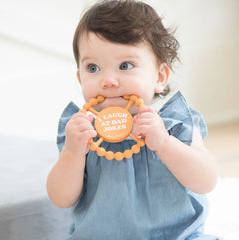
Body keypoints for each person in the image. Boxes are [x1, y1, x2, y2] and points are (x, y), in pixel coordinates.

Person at [47, 0, 221, 239]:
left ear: (159, 77)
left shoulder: (174, 124)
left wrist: (163, 143)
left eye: (125, 65)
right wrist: (72, 152)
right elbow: (61, 198)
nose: (108, 80)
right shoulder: (82, 131)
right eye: (93, 68)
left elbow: (206, 180)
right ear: (80, 78)